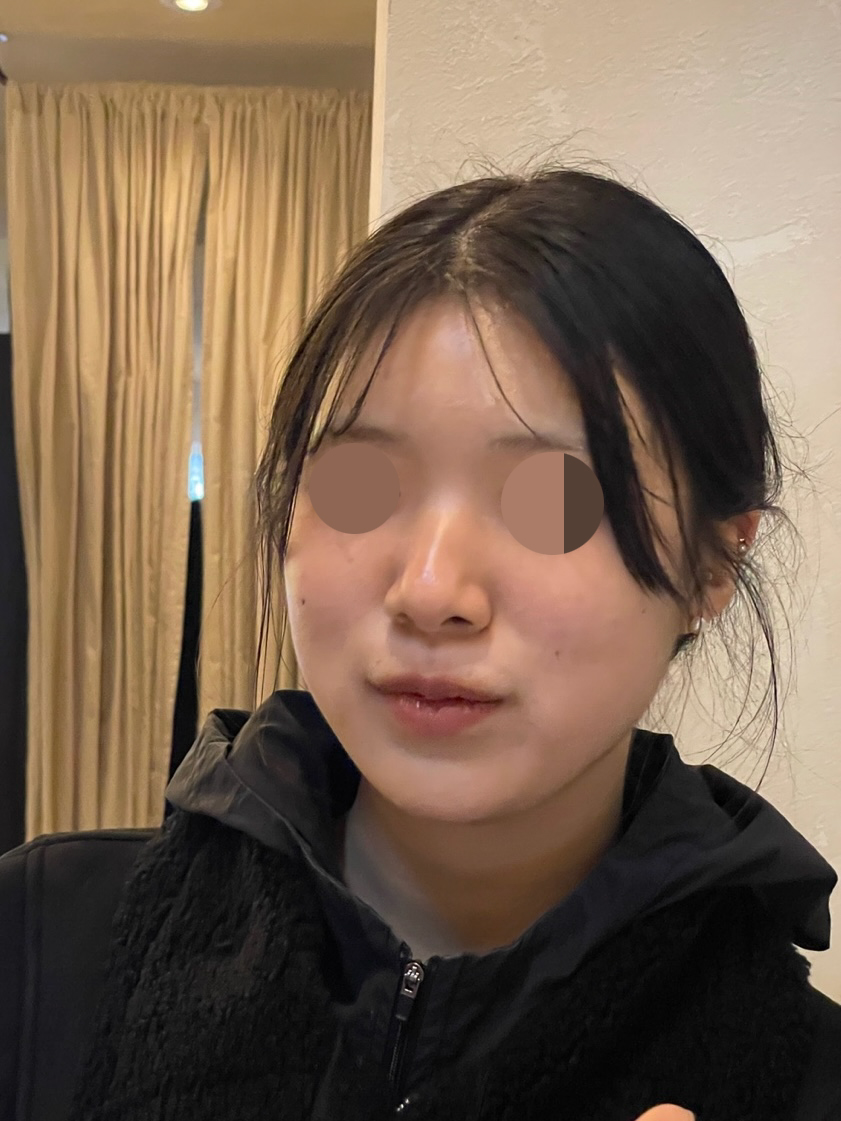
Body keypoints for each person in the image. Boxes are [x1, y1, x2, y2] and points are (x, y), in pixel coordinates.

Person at [1, 167, 840, 1121]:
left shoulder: (804, 1079)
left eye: (552, 498)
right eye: (360, 486)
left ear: (713, 563)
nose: (432, 591)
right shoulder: (42, 943)